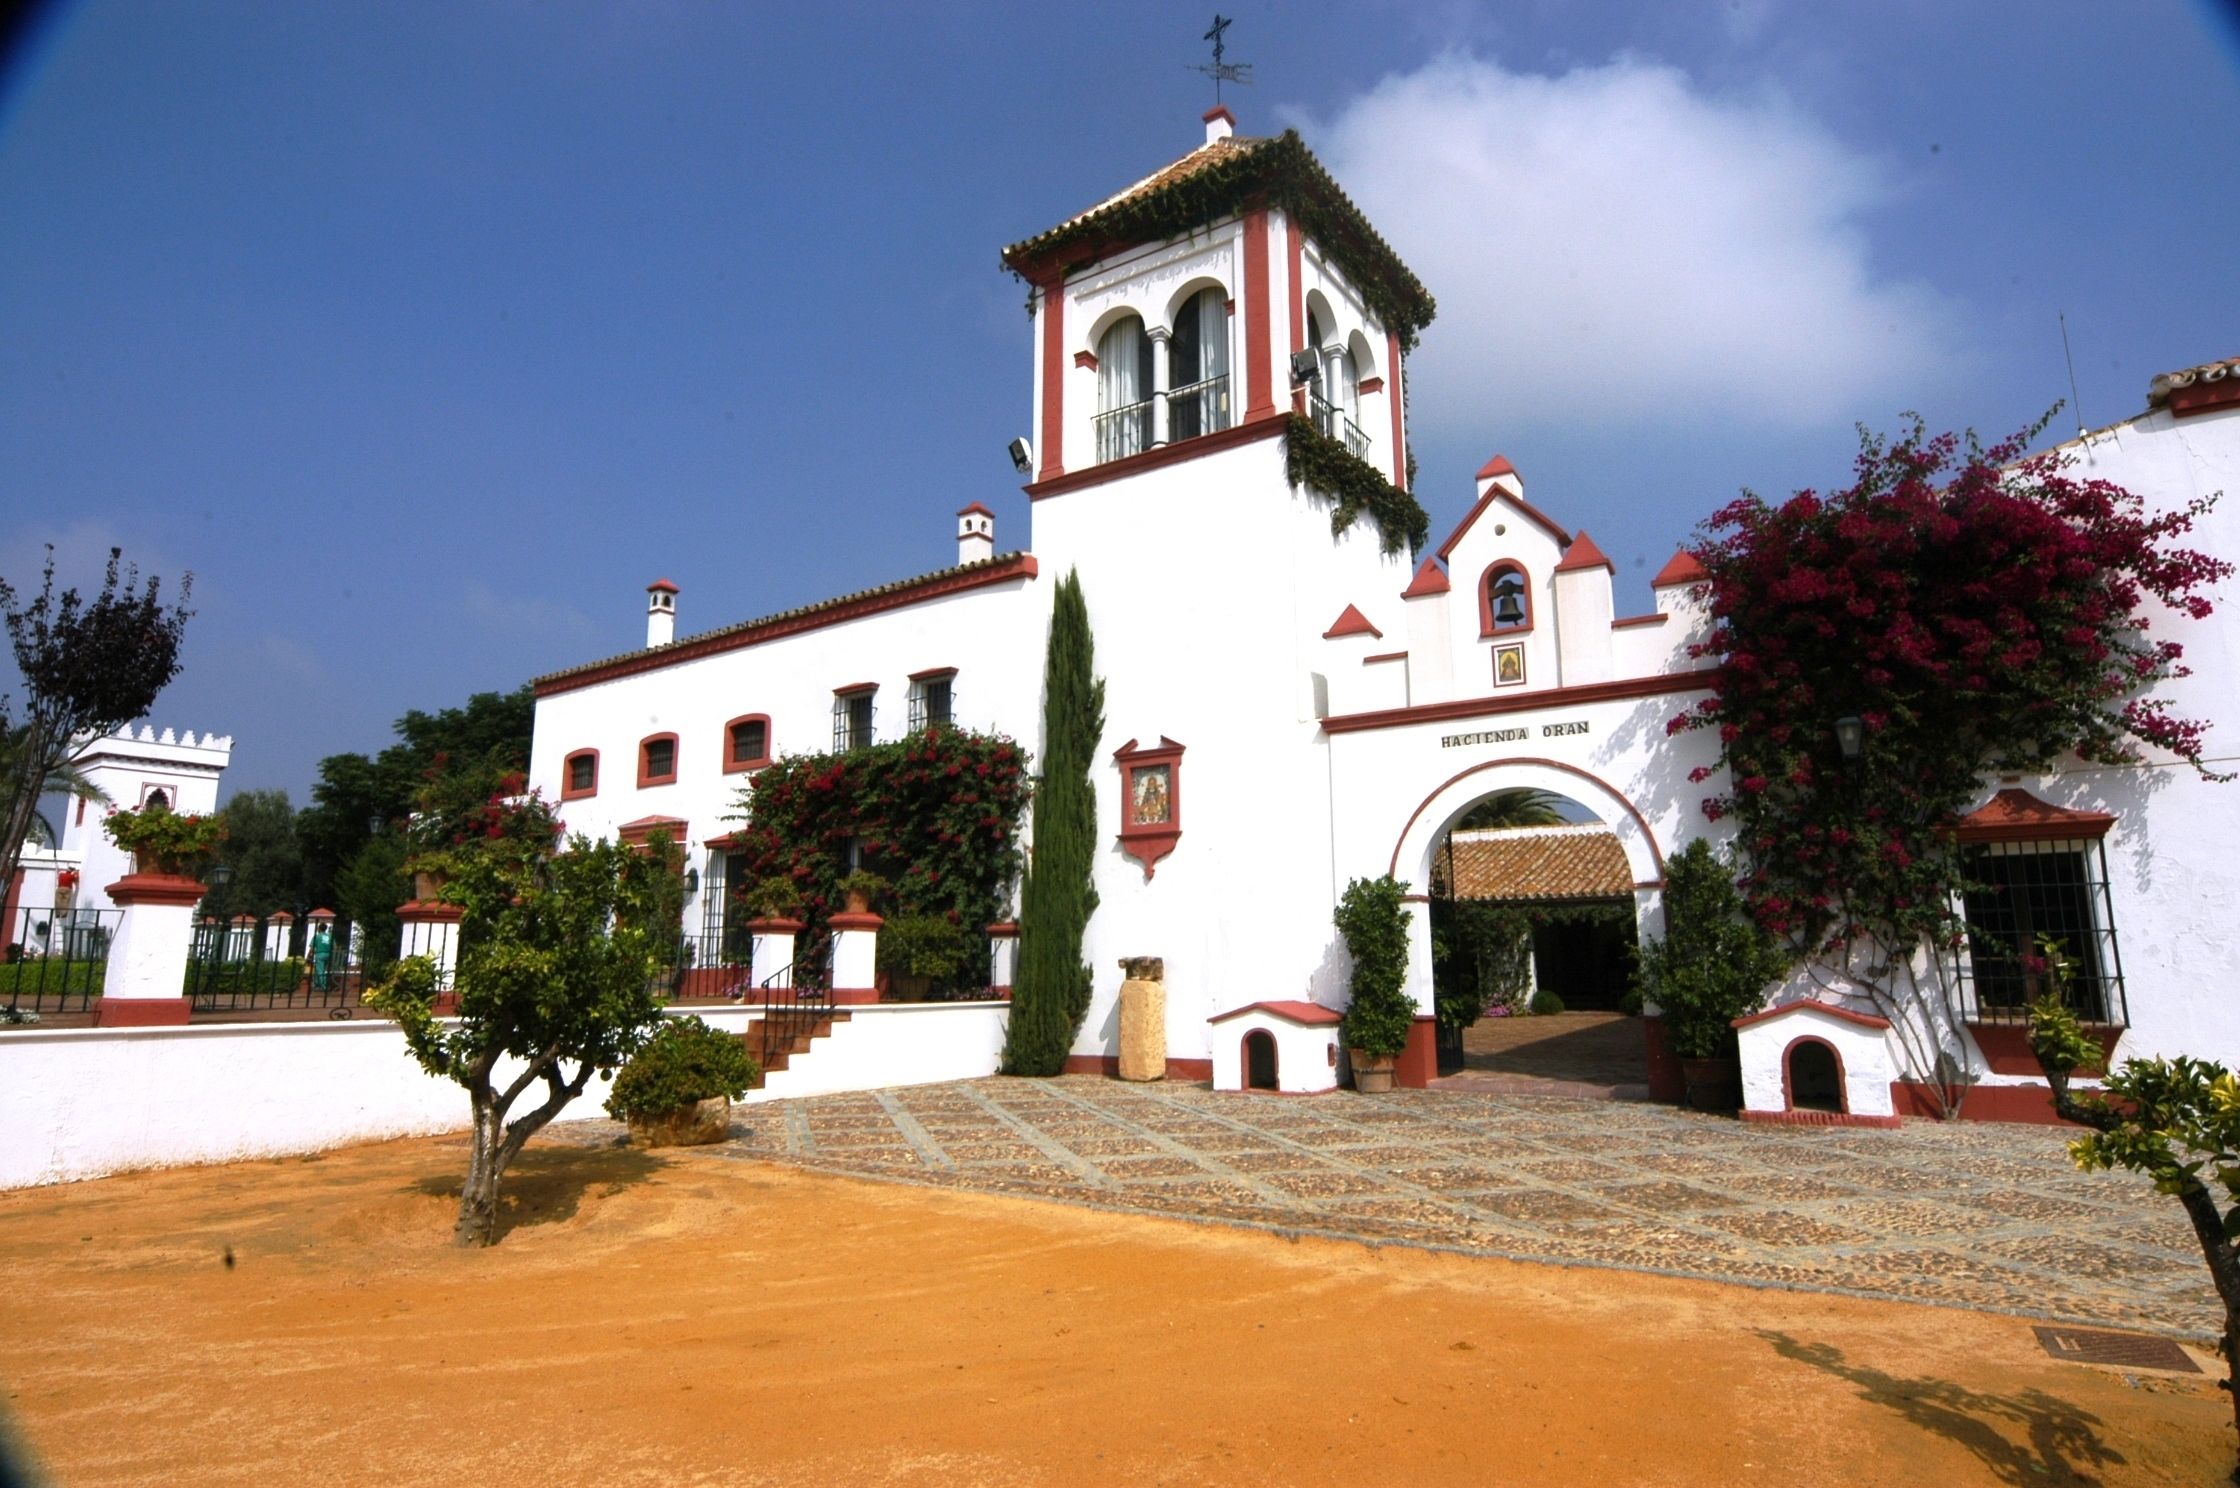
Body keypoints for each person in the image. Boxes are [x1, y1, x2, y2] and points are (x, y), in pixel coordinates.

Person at [309, 922, 333, 992]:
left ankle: (324, 985)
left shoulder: (317, 936)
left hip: (320, 955)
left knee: (320, 970)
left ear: (319, 929)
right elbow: (334, 946)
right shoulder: (330, 936)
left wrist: (310, 954)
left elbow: (312, 947)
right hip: (328, 955)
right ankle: (317, 984)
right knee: (319, 969)